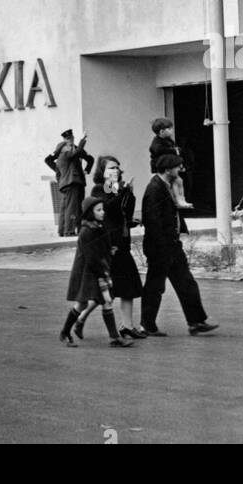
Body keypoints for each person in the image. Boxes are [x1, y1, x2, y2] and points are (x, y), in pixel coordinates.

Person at [140, 154, 218, 337]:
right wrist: (162, 246)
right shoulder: (154, 189)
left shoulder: (166, 186)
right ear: (167, 170)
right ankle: (147, 324)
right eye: (177, 167)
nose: (180, 169)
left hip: (172, 245)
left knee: (186, 283)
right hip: (161, 247)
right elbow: (152, 221)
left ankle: (196, 322)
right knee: (155, 287)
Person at [82, 155, 146, 340]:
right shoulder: (100, 188)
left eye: (117, 167)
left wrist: (130, 193)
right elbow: (108, 207)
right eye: (111, 168)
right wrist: (122, 192)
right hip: (109, 245)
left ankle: (127, 326)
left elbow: (125, 212)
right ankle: (79, 318)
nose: (115, 171)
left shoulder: (117, 188)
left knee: (129, 287)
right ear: (102, 172)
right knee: (103, 292)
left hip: (122, 243)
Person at [59, 197, 133, 348]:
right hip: (88, 273)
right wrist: (103, 273)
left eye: (102, 209)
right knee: (81, 304)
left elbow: (102, 248)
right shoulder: (87, 231)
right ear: (89, 213)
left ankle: (113, 338)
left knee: (105, 301)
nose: (102, 212)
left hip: (95, 271)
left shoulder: (97, 227)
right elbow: (92, 257)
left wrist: (109, 251)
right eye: (98, 210)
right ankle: (65, 332)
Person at [54, 129, 94, 237]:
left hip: (67, 184)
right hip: (73, 183)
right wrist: (83, 139)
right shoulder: (67, 154)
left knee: (65, 208)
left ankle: (62, 231)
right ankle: (69, 231)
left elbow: (57, 174)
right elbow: (76, 152)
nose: (69, 144)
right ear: (63, 148)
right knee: (72, 207)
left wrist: (62, 182)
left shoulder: (59, 159)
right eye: (67, 142)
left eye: (71, 139)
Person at [149, 117, 193, 212]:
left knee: (179, 180)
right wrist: (173, 151)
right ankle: (178, 200)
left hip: (169, 166)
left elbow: (176, 150)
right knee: (175, 181)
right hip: (161, 167)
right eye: (169, 129)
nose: (172, 130)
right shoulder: (157, 143)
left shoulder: (169, 140)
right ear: (161, 131)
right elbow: (157, 150)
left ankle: (181, 199)